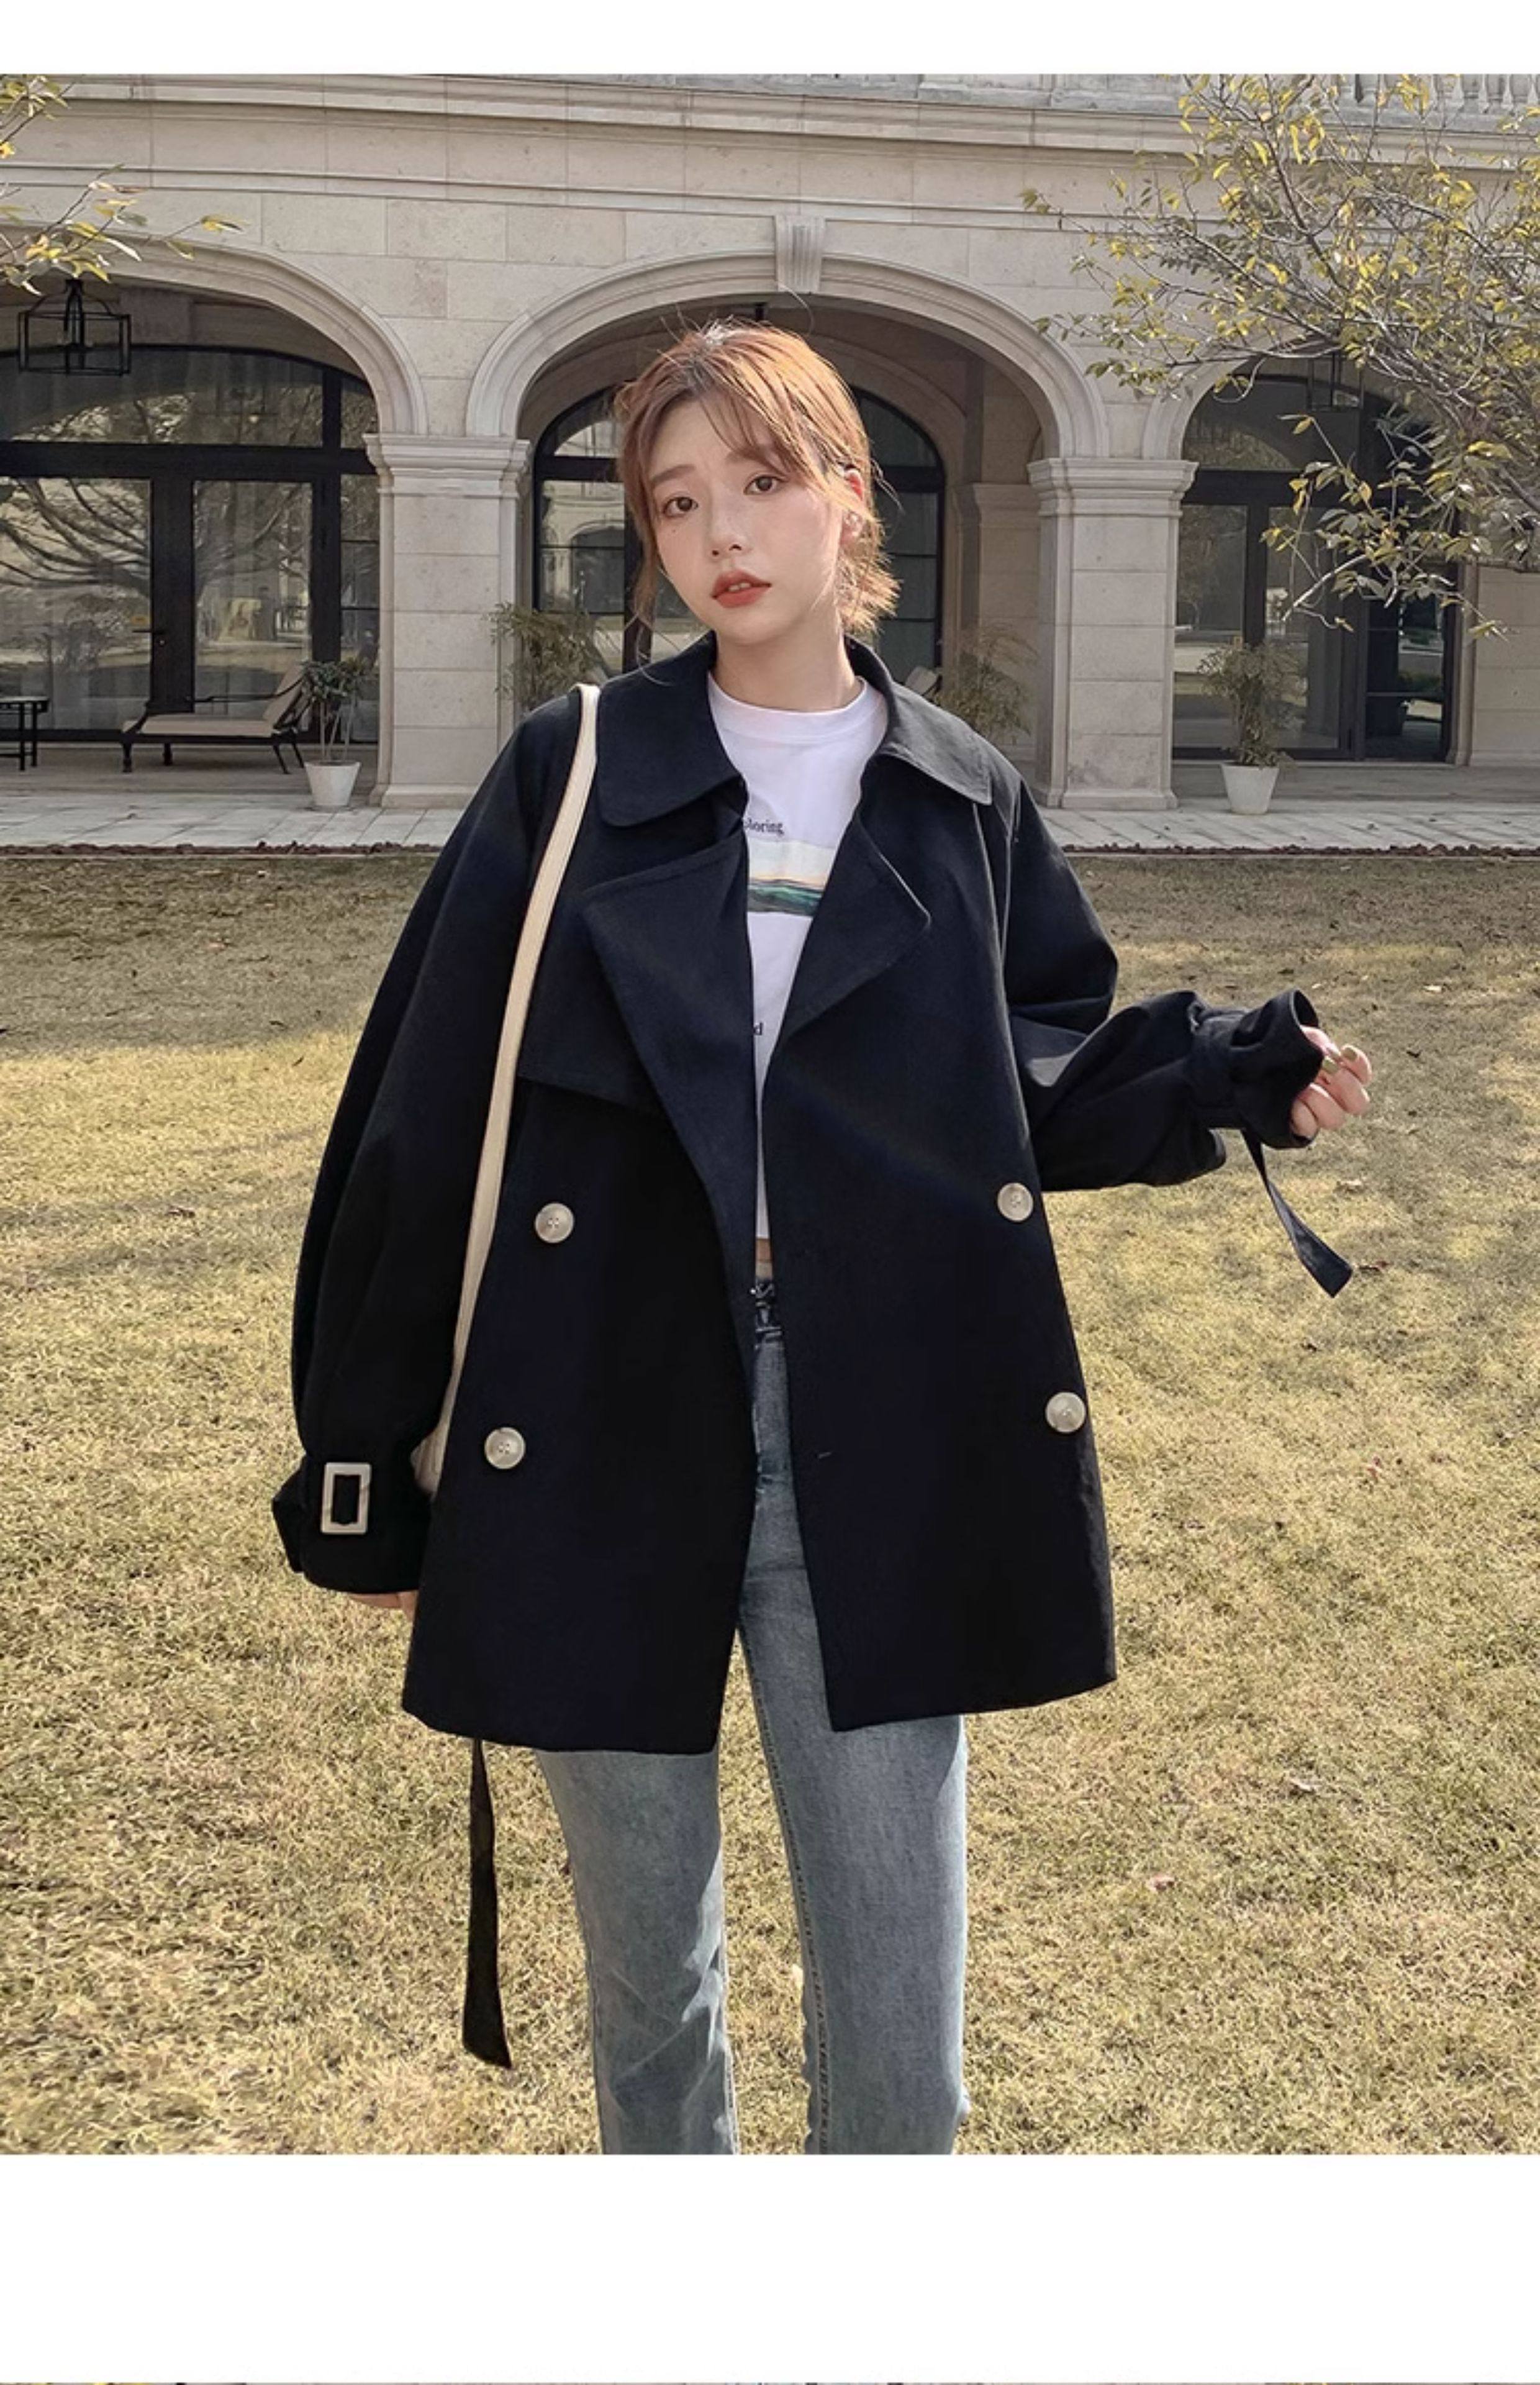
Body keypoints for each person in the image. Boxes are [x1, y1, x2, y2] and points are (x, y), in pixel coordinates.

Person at [271, 317, 1373, 2156]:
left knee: (896, 2009)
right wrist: (366, 1458)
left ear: (850, 496)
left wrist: (1225, 1075)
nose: (722, 533)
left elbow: (1026, 1070)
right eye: (677, 500)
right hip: (600, 1404)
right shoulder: (575, 771)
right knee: (652, 1995)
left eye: (764, 482)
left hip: (877, 1408)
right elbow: (424, 1106)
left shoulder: (956, 789)